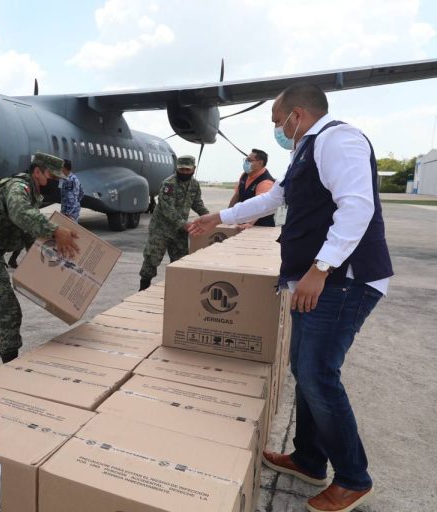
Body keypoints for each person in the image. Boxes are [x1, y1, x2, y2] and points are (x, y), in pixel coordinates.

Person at [188, 83, 392, 512]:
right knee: (304, 369)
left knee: (318, 375)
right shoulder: (306, 151)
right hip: (314, 281)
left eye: (279, 122)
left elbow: (357, 207)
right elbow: (275, 200)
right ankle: (309, 458)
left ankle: (354, 478)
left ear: (297, 115)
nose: (279, 130)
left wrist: (321, 269)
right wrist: (217, 218)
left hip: (342, 282)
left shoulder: (339, 139)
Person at [0, 152, 80, 363]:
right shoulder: (18, 188)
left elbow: (26, 232)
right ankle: (10, 365)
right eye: (51, 178)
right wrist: (55, 230)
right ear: (37, 172)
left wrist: (47, 264)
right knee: (9, 312)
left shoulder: (31, 192)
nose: (53, 183)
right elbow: (20, 215)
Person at [138, 155, 208, 291]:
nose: (185, 173)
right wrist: (184, 224)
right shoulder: (169, 184)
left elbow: (197, 203)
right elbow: (167, 208)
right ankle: (143, 287)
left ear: (194, 169)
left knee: (180, 260)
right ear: (177, 168)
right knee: (152, 258)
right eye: (182, 169)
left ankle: (177, 290)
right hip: (161, 229)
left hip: (179, 230)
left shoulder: (194, 184)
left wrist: (208, 217)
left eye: (188, 170)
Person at [228, 148, 276, 228]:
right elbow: (237, 195)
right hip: (242, 223)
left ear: (260, 163)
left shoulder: (265, 181)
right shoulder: (244, 175)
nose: (246, 162)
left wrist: (250, 223)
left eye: (249, 160)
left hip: (260, 226)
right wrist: (228, 215)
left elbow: (261, 205)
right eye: (246, 159)